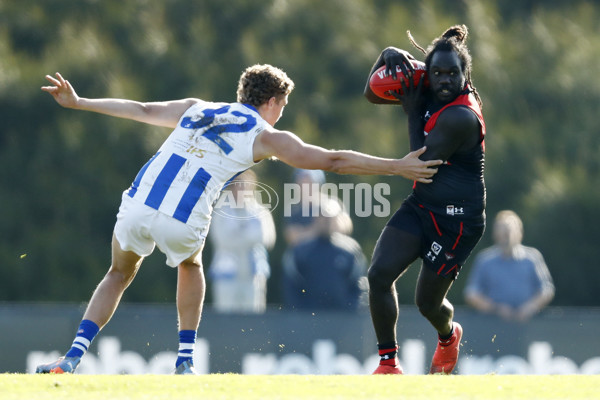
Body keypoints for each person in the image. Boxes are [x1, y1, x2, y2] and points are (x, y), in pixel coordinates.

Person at [36, 64, 442, 375]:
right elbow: (333, 160)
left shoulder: (197, 108)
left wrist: (81, 102)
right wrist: (396, 166)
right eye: (282, 106)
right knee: (190, 265)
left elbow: (142, 109)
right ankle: (184, 360)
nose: (280, 114)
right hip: (183, 215)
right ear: (272, 102)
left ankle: (73, 356)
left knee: (118, 274)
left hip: (140, 201)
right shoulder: (264, 135)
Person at [364, 25, 486, 375]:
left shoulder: (461, 116)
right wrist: (386, 54)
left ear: (466, 75)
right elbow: (372, 93)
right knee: (378, 275)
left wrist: (413, 109)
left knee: (427, 304)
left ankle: (449, 336)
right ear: (428, 72)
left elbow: (421, 165)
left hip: (458, 223)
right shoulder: (430, 85)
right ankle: (388, 365)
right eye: (436, 73)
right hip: (422, 207)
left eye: (452, 73)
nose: (444, 80)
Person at [464, 210, 555, 321]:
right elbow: (471, 293)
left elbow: (546, 289)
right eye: (502, 233)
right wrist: (496, 309)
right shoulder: (485, 260)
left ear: (520, 233)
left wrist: (529, 307)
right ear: (495, 234)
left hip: (527, 324)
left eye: (509, 232)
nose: (506, 237)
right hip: (493, 324)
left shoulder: (532, 258)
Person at [208, 169, 275, 314]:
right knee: (225, 315)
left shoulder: (260, 211)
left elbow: (267, 238)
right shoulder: (220, 211)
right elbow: (221, 240)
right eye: (237, 185)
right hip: (226, 272)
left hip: (253, 273)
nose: (240, 189)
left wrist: (237, 235)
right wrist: (248, 237)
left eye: (244, 185)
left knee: (253, 316)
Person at [282, 204, 367, 311]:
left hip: (342, 317)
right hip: (309, 317)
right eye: (322, 217)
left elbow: (358, 283)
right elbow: (291, 283)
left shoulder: (349, 251)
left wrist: (351, 309)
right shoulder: (300, 251)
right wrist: (299, 311)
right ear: (315, 219)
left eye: (329, 218)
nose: (325, 221)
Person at [283, 168, 352, 248]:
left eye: (309, 183)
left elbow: (344, 228)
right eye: (302, 183)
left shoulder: (332, 204)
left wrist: (306, 232)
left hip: (332, 253)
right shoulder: (293, 209)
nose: (305, 187)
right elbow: (292, 237)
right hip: (305, 255)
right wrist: (321, 229)